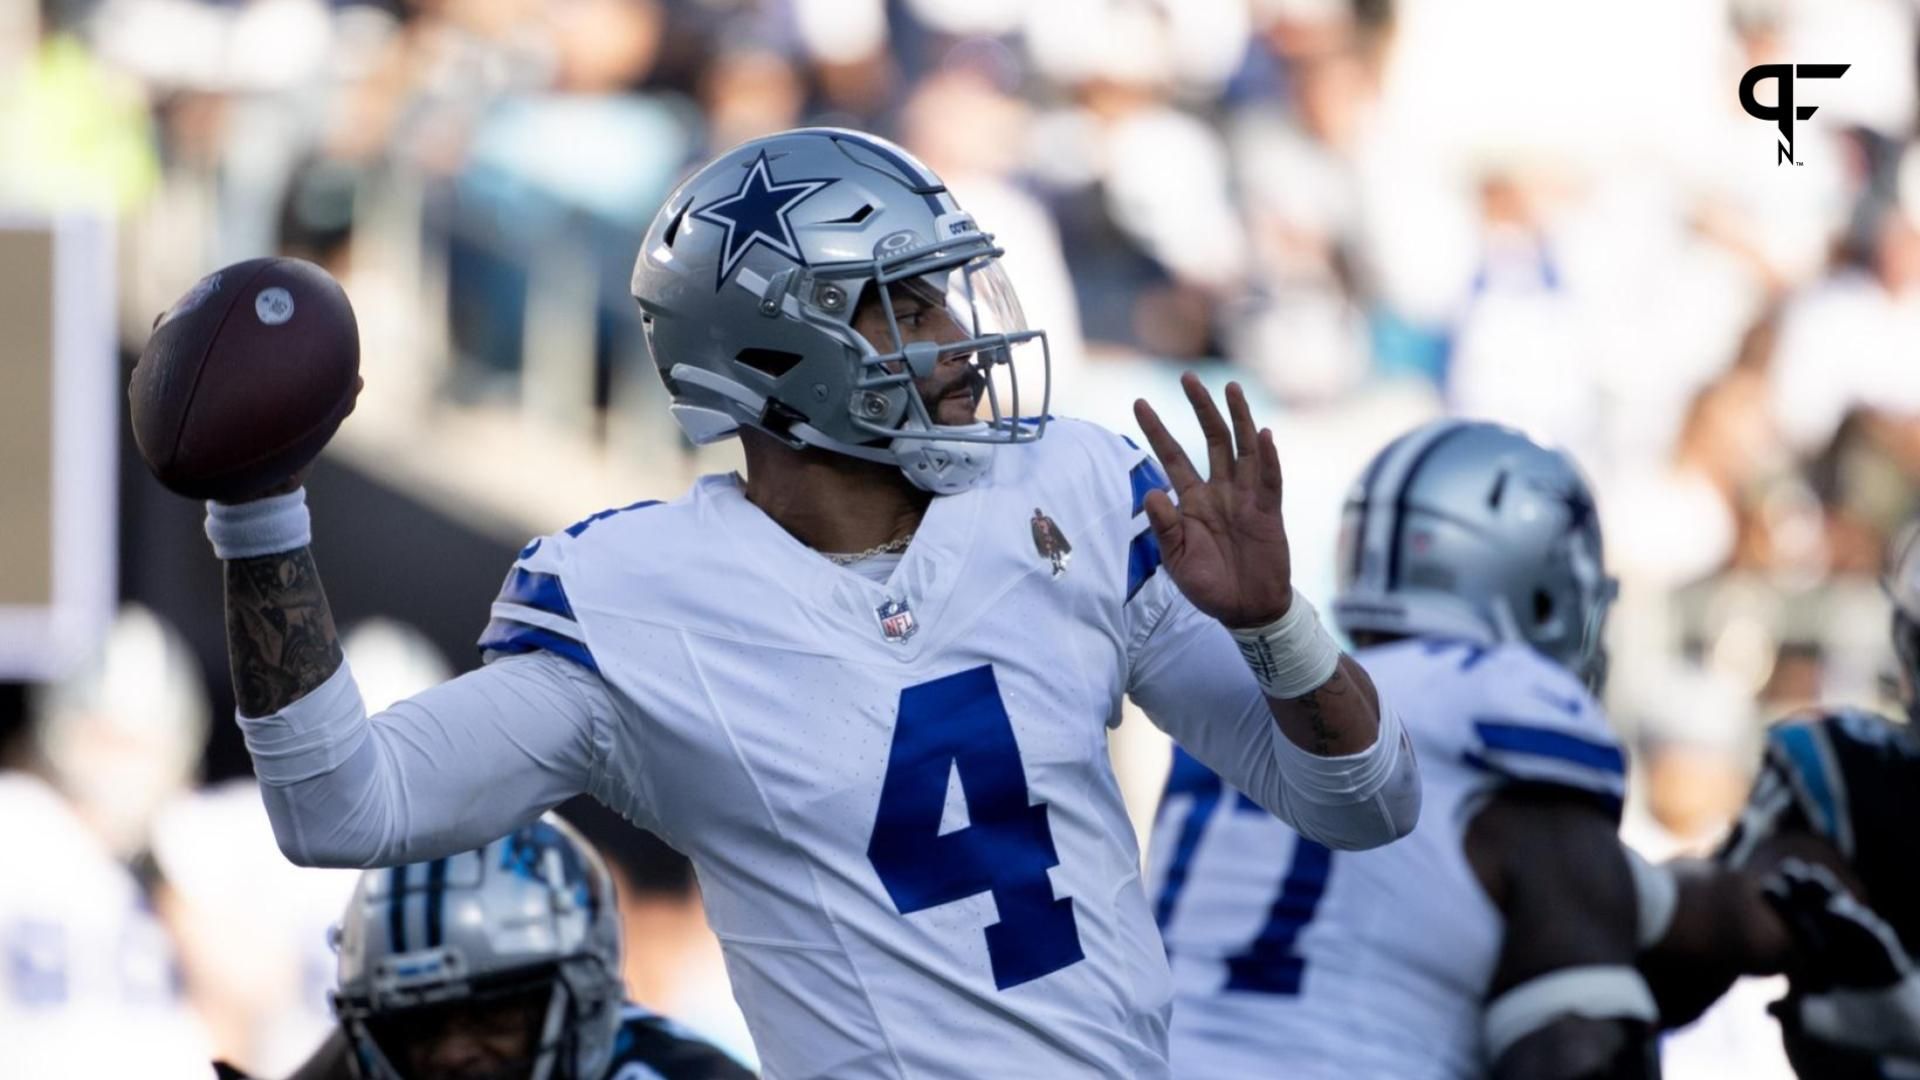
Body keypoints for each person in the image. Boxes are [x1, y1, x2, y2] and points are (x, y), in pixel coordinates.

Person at [195, 128, 1419, 1079]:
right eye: (908, 303)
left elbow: (1366, 802)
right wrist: (257, 516)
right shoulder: (637, 604)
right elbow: (340, 805)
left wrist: (1275, 627)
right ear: (781, 348)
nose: (960, 338)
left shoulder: (1075, 488)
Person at [1149, 419, 1910, 1079]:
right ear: (1542, 586)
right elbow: (1577, 1027)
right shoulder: (1504, 692)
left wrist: (1760, 909)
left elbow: (1526, 891)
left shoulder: (1260, 697)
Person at [213, 814, 750, 1080]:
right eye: (420, 1023)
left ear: (585, 1000)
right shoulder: (369, 1054)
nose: (454, 1053)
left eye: (493, 1015)